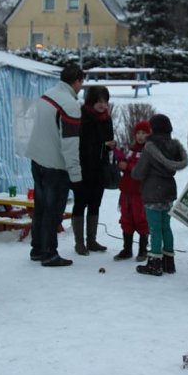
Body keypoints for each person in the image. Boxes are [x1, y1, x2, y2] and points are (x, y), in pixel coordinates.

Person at [25, 64, 84, 267]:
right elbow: (70, 144)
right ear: (77, 81)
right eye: (81, 82)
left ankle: (37, 249)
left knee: (41, 207)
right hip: (55, 165)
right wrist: (76, 176)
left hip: (37, 158)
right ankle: (50, 253)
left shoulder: (47, 95)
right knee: (53, 210)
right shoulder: (70, 105)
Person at [132, 114, 188, 276]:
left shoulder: (150, 147)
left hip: (152, 191)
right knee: (166, 227)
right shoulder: (173, 146)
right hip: (168, 190)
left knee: (155, 228)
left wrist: (134, 170)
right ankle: (168, 261)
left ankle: (155, 263)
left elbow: (139, 173)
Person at [71, 85, 115, 256]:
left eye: (105, 101)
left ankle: (92, 240)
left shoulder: (107, 119)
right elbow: (81, 144)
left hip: (100, 168)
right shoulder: (83, 117)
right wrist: (102, 145)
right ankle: (79, 242)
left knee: (95, 203)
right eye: (99, 101)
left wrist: (110, 146)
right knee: (80, 202)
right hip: (83, 167)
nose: (102, 105)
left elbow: (107, 140)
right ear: (91, 101)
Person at [113, 120, 151, 261]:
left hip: (140, 193)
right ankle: (127, 248)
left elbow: (143, 170)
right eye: (138, 133)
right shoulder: (130, 150)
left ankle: (143, 250)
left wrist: (127, 167)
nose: (140, 136)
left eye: (144, 133)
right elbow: (123, 161)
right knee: (126, 219)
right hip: (126, 191)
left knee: (141, 219)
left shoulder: (148, 151)